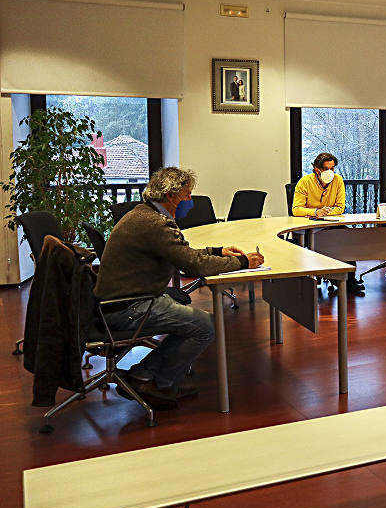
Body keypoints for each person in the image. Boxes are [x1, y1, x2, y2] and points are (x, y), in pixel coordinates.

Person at [95, 167, 264, 410]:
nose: (190, 201)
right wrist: (243, 262)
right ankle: (157, 383)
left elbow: (183, 253)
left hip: (124, 299)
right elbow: (193, 265)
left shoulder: (145, 214)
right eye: (187, 195)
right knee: (207, 326)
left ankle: (146, 376)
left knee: (193, 321)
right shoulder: (155, 223)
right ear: (171, 195)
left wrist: (218, 252)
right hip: (129, 306)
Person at [292, 152, 364, 295]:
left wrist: (325, 213)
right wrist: (315, 212)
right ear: (317, 169)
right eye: (327, 169)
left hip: (331, 224)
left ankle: (349, 280)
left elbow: (340, 207)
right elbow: (296, 209)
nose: (330, 172)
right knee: (326, 241)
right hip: (309, 227)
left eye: (333, 168)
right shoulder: (305, 182)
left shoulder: (338, 181)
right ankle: (333, 279)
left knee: (347, 237)